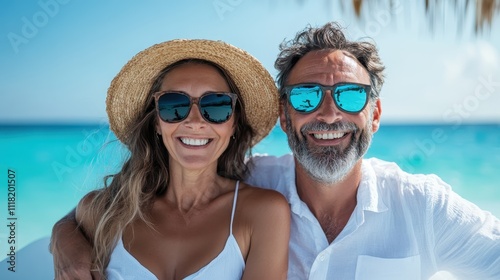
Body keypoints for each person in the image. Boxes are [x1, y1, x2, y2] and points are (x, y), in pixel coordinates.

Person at [51, 22, 500, 279]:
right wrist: (65, 239)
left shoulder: (422, 205)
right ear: (285, 116)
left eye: (349, 96)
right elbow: (117, 205)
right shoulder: (253, 185)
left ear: (375, 113)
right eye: (306, 97)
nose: (327, 114)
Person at [50, 39, 291, 280]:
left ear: (233, 123)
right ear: (156, 121)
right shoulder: (107, 211)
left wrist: (62, 235)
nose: (195, 121)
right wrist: (62, 235)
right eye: (174, 104)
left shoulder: (263, 213)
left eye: (216, 106)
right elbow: (76, 217)